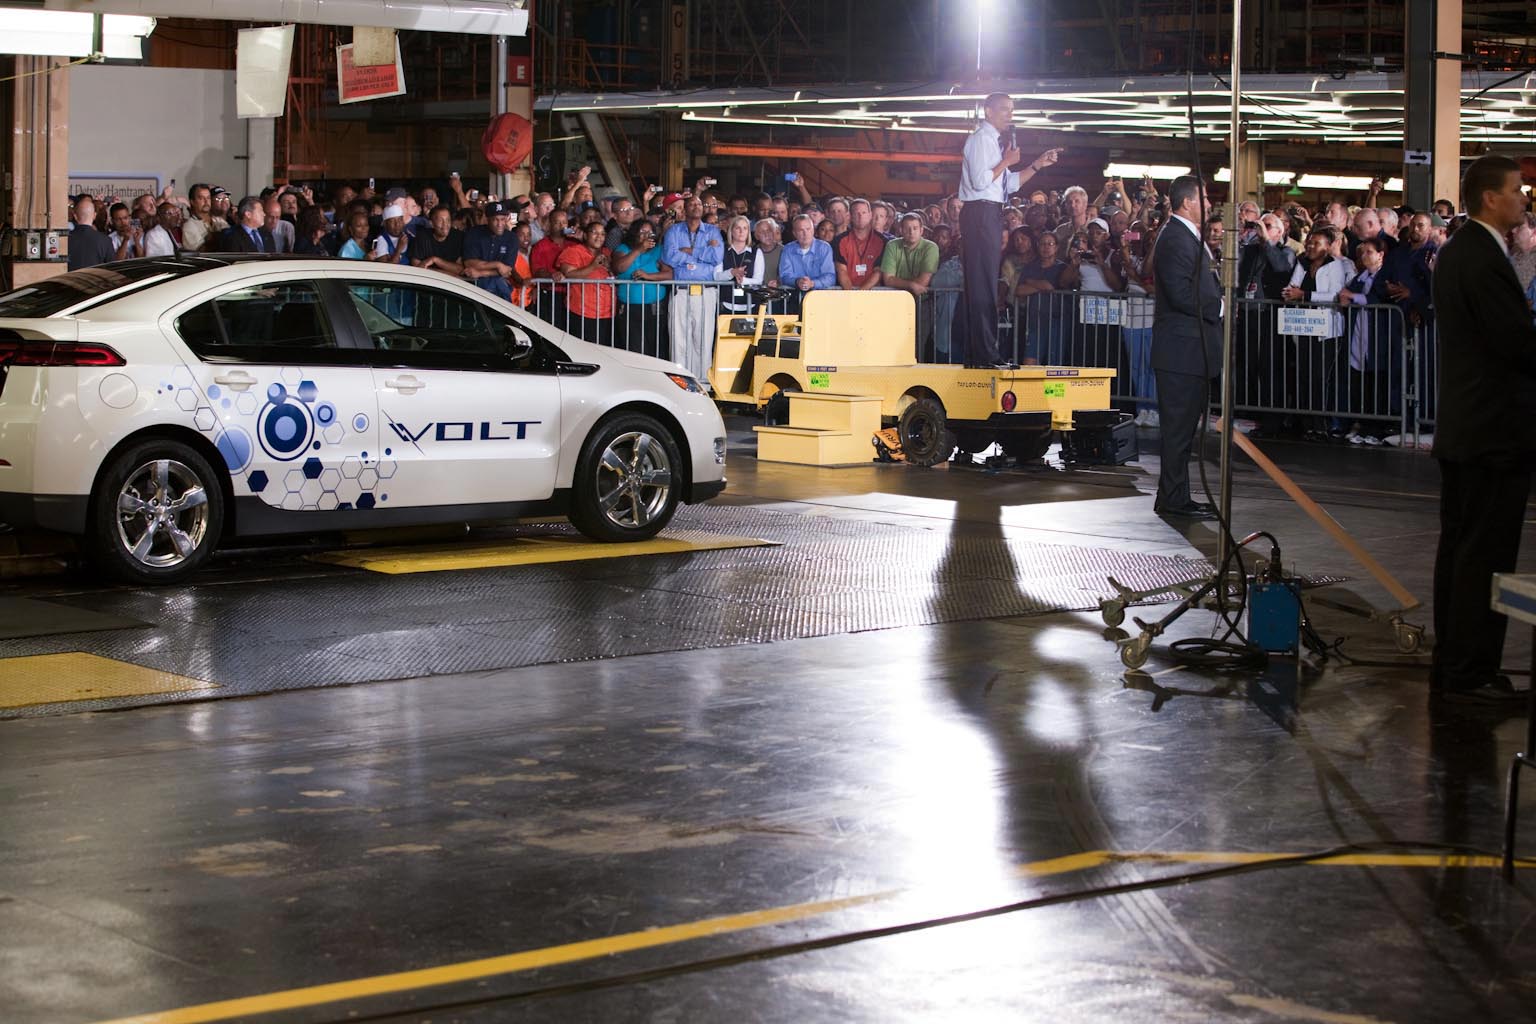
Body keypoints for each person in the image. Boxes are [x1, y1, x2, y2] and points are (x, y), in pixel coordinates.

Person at [1428, 153, 1536, 705]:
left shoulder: (1460, 252)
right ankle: (1471, 669)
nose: (1524, 198)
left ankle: (1453, 662)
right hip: (1494, 432)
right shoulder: (1482, 258)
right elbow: (1515, 343)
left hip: (1469, 428)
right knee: (1485, 557)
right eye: (1518, 190)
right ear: (1491, 198)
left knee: (1461, 551)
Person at [957, 92, 1059, 368]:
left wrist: (1037, 164)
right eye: (1004, 109)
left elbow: (1009, 184)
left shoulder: (993, 142)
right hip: (980, 211)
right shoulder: (981, 139)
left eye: (1011, 110)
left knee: (986, 283)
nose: (1009, 114)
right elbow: (980, 181)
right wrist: (1006, 161)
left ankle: (981, 354)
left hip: (989, 211)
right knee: (982, 286)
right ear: (988, 111)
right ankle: (984, 356)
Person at [1149, 174, 1222, 520]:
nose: (1208, 204)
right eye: (1203, 198)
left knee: (1182, 432)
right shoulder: (1176, 238)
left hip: (1191, 352)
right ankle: (1173, 497)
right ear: (1187, 202)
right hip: (1180, 352)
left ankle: (1175, 493)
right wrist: (1217, 307)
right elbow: (1180, 294)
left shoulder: (1188, 237)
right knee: (1177, 432)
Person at [661, 194, 723, 383]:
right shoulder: (674, 231)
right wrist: (703, 254)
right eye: (692, 204)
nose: (696, 206)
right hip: (681, 290)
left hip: (705, 291)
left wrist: (689, 251)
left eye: (699, 204)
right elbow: (669, 257)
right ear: (685, 209)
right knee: (678, 337)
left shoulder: (712, 231)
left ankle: (702, 381)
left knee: (702, 339)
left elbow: (717, 256)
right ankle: (679, 381)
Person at [882, 212, 942, 360]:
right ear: (900, 230)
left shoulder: (931, 247)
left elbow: (923, 282)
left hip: (922, 304)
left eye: (915, 228)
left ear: (922, 230)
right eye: (907, 228)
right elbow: (887, 279)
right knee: (892, 344)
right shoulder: (892, 245)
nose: (911, 232)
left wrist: (901, 282)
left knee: (918, 346)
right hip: (895, 304)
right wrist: (910, 284)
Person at [612, 219, 672, 358]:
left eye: (650, 232)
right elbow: (620, 267)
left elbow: (670, 274)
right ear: (634, 233)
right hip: (629, 308)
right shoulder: (623, 249)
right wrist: (638, 249)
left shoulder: (658, 250)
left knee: (655, 348)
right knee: (634, 348)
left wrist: (648, 276)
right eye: (643, 232)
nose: (647, 235)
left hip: (654, 307)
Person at [557, 221, 616, 345]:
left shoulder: (607, 253)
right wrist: (593, 266)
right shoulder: (573, 251)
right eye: (594, 232)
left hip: (606, 312)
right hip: (582, 311)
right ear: (585, 235)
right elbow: (569, 274)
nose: (599, 237)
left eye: (602, 234)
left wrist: (609, 268)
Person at [777, 214, 836, 316]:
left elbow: (830, 277)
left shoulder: (824, 248)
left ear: (813, 230)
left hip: (820, 301)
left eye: (808, 229)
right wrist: (797, 281)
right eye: (800, 230)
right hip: (794, 302)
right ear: (794, 233)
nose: (805, 233)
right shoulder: (787, 249)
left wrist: (812, 283)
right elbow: (784, 276)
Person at [462, 202, 521, 300]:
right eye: (495, 220)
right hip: (475, 285)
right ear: (487, 219)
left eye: (502, 219)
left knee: (497, 283)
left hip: (497, 284)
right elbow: (469, 263)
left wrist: (480, 273)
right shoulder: (474, 233)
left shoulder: (512, 238)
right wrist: (497, 265)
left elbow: (506, 270)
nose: (500, 224)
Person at [715, 215, 764, 315]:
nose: (741, 231)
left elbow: (758, 279)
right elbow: (716, 276)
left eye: (745, 228)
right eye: (738, 228)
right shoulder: (722, 250)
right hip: (726, 303)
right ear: (731, 231)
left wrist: (744, 281)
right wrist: (732, 272)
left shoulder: (756, 252)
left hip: (750, 304)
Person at [833, 198, 884, 290]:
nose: (860, 216)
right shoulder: (839, 241)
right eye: (856, 213)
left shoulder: (882, 241)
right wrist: (851, 296)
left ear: (870, 215)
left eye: (864, 213)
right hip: (848, 293)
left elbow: (878, 272)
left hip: (873, 294)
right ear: (850, 216)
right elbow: (842, 271)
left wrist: (860, 293)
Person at [67, 195, 116, 270]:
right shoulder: (105, 240)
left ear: (75, 216)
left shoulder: (65, 239)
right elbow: (112, 269)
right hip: (94, 281)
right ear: (94, 216)